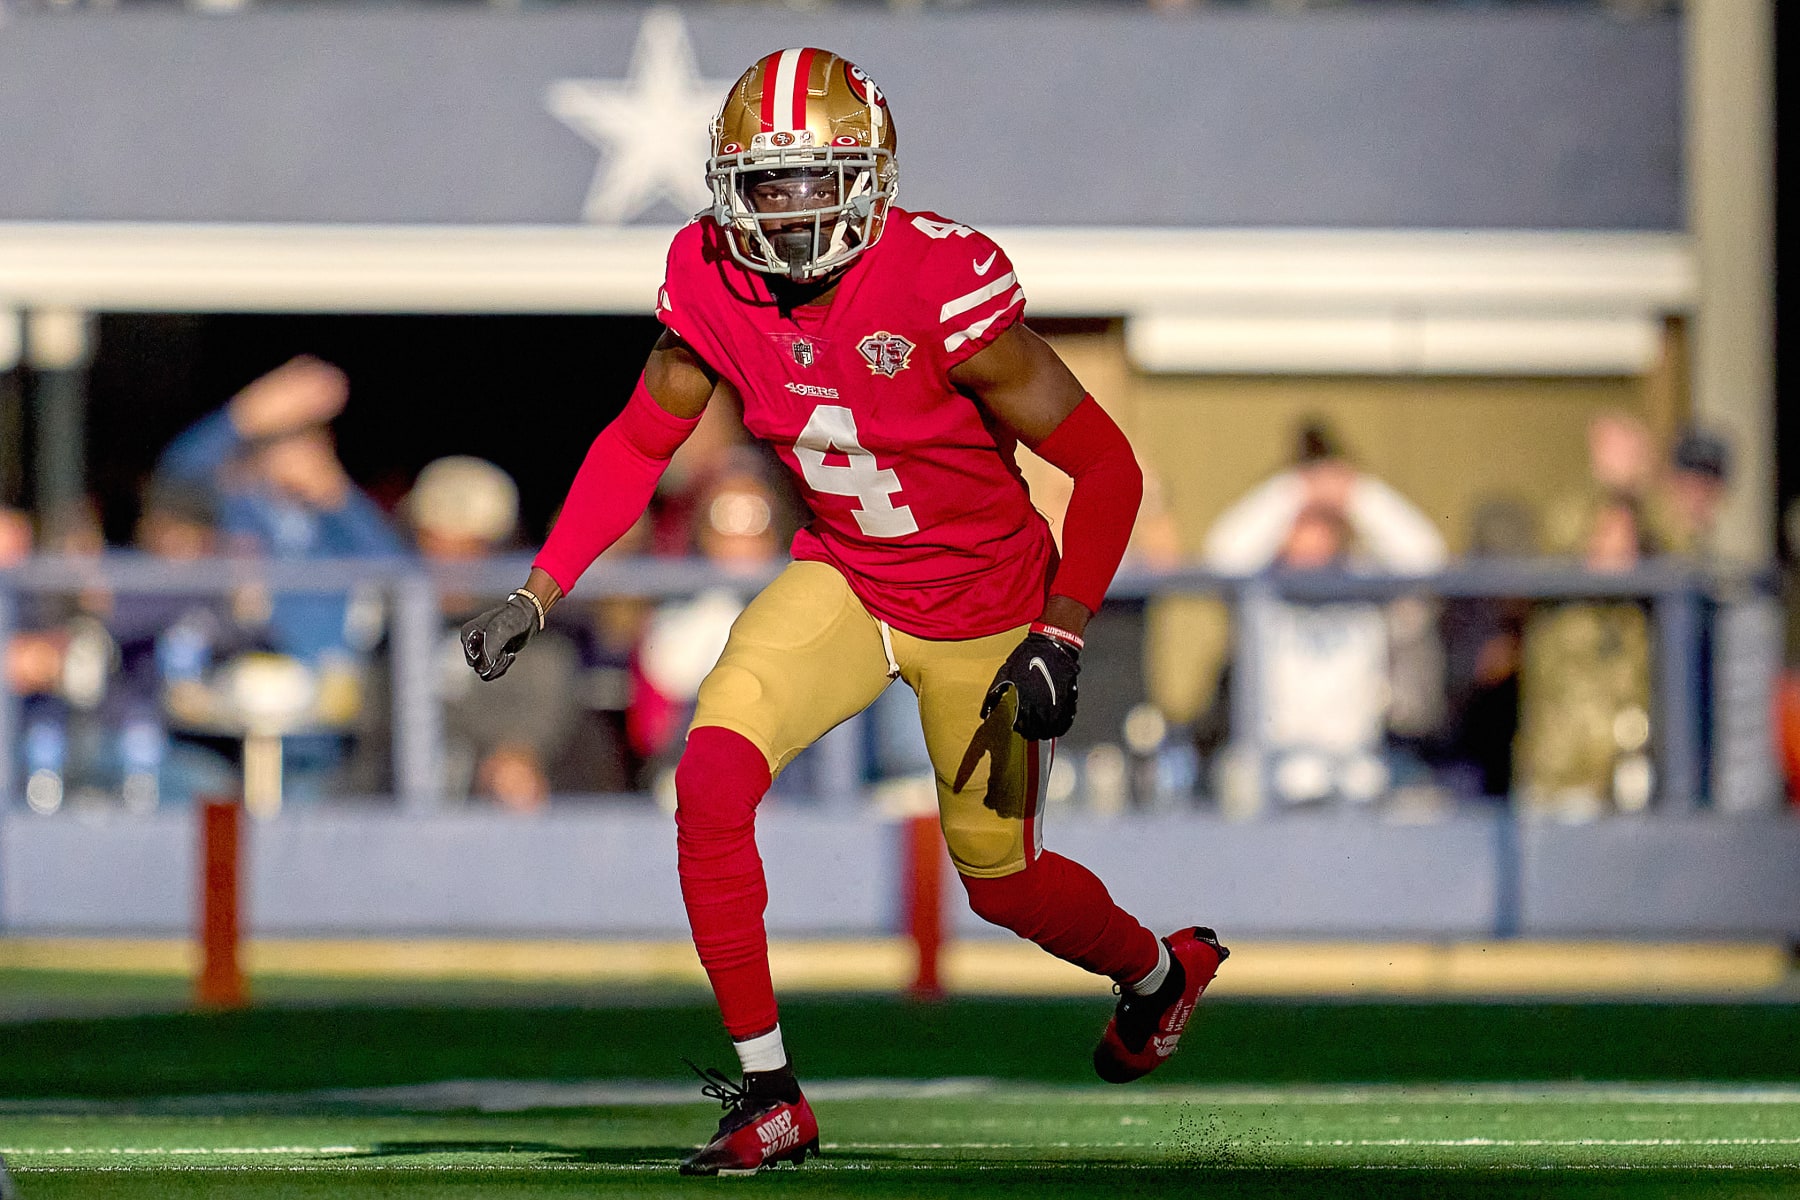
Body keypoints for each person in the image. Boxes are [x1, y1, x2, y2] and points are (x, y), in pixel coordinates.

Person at [459, 49, 1227, 1175]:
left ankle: (1159, 973)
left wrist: (1064, 628)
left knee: (1001, 882)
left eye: (814, 180)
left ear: (870, 177)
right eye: (765, 185)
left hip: (988, 609)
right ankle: (771, 1094)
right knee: (711, 779)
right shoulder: (711, 278)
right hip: (850, 576)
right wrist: (542, 583)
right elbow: (639, 439)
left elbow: (1107, 469)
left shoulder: (938, 284)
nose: (788, 209)